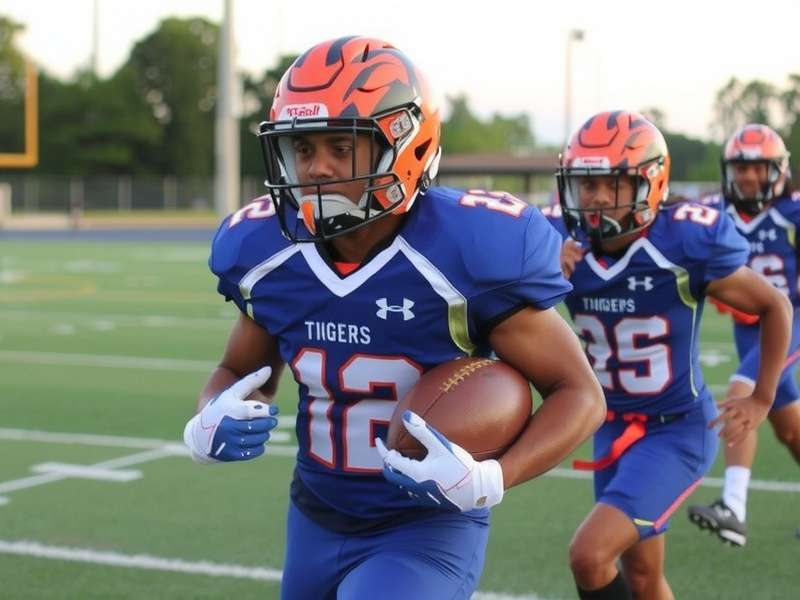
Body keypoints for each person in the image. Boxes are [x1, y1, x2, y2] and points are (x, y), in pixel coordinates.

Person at [182, 36, 605, 600]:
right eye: (303, 151)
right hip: (314, 513)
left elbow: (579, 393)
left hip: (424, 524)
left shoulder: (468, 249)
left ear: (405, 144)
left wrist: (492, 477)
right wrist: (210, 415)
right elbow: (239, 372)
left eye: (341, 146)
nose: (318, 170)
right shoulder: (267, 253)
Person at [545, 111, 791, 599]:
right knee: (641, 575)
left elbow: (774, 304)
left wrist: (763, 396)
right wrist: (542, 270)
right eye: (584, 184)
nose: (593, 199)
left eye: (610, 184)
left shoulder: (680, 242)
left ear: (648, 184)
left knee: (590, 555)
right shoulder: (555, 243)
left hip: (675, 430)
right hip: (610, 426)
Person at [687, 124, 800, 546]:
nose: (748, 177)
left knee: (744, 391)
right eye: (741, 167)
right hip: (746, 331)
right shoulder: (715, 214)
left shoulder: (792, 213)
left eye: (757, 168)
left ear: (777, 170)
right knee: (789, 429)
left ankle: (733, 507)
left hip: (790, 318)